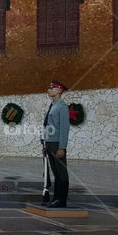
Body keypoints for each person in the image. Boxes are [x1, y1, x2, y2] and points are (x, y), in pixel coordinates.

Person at [41, 79, 71, 208]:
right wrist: (45, 144)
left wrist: (62, 147)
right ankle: (56, 198)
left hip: (57, 143)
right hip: (50, 143)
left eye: (52, 88)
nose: (49, 90)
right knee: (55, 173)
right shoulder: (53, 105)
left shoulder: (62, 106)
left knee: (61, 173)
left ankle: (62, 200)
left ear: (59, 90)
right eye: (49, 87)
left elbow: (64, 128)